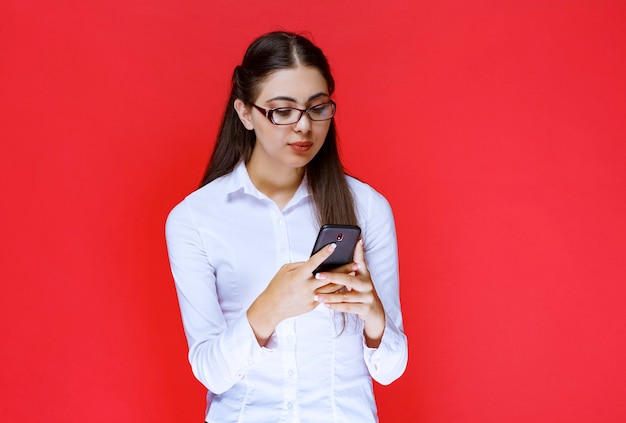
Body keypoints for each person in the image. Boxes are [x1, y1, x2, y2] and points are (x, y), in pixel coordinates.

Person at [165, 31, 408, 423]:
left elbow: (391, 369)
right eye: (282, 110)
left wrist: (375, 318)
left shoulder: (368, 208)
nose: (303, 127)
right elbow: (211, 371)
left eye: (317, 108)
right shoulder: (195, 218)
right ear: (245, 112)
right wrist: (269, 308)